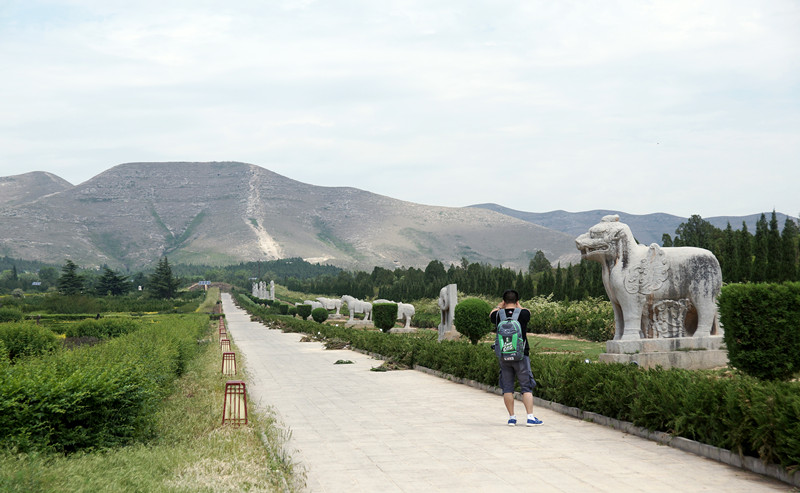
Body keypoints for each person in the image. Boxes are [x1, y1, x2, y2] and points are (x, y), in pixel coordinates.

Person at [490, 289, 543, 427]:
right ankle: (530, 417)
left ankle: (512, 418)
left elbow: (491, 313)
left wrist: (499, 306)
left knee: (507, 388)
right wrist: (518, 306)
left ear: (504, 301)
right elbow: (527, 311)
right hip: (521, 355)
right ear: (517, 301)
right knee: (526, 387)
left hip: (504, 355)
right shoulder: (524, 313)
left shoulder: (497, 315)